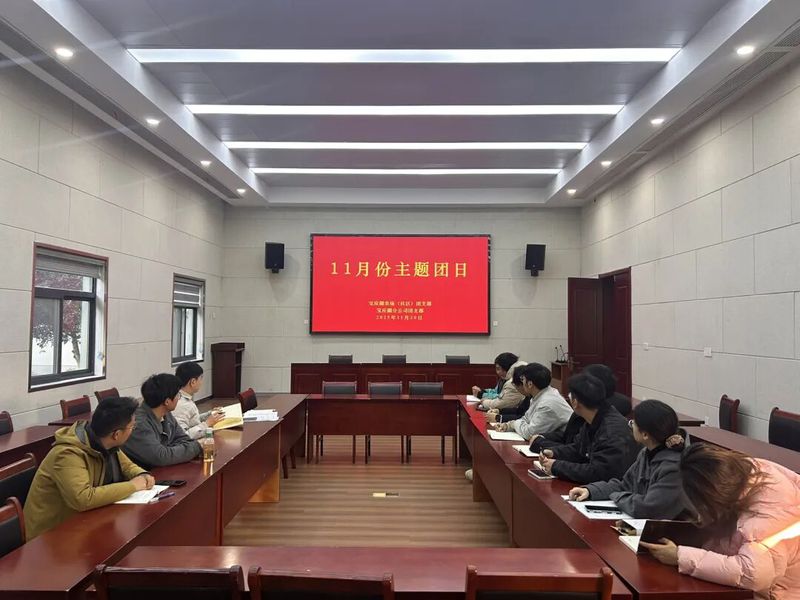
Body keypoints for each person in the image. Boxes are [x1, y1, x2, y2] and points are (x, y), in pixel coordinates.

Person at [642, 444, 800, 599]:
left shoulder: (767, 517)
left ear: (712, 496)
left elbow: (753, 575)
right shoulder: (746, 470)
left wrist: (679, 557)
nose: (699, 516)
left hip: (779, 592)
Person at [24, 396, 154, 540]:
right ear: (116, 434)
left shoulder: (106, 442)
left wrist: (142, 475)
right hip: (49, 536)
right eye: (132, 427)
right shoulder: (67, 453)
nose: (132, 431)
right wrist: (132, 486)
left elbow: (127, 466)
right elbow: (83, 499)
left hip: (82, 522)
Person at [568, 399, 687, 519]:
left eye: (633, 423)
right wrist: (590, 491)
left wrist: (617, 496)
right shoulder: (646, 453)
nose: (631, 426)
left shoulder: (673, 467)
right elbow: (624, 485)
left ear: (645, 434)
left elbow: (648, 508)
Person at [537, 373, 639, 484]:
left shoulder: (610, 431)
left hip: (615, 487)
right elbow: (579, 448)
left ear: (575, 402)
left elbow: (598, 473)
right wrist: (554, 452)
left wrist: (556, 466)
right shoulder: (595, 417)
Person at [123, 373, 202, 469]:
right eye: (178, 395)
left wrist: (172, 452)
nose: (179, 398)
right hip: (145, 473)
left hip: (164, 469)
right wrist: (198, 446)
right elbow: (160, 457)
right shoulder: (138, 423)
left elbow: (184, 439)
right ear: (167, 401)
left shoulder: (165, 414)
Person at [490, 363, 573, 441]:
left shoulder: (547, 404)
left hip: (566, 443)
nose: (522, 382)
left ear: (530, 384)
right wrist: (508, 425)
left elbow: (529, 433)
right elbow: (526, 418)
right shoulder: (540, 395)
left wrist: (513, 425)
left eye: (522, 379)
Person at [173, 362, 222, 440]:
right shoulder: (181, 404)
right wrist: (207, 424)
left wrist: (209, 414)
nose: (201, 382)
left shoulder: (184, 398)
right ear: (193, 382)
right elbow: (183, 436)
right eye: (201, 378)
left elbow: (192, 420)